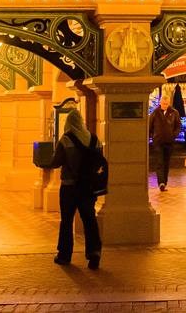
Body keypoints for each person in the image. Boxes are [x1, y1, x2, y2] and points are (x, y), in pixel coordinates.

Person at [48, 108, 107, 269]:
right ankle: (94, 253)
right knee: (89, 219)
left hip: (69, 187)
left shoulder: (65, 140)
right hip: (88, 187)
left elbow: (56, 162)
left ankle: (64, 255)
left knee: (66, 221)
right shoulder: (94, 139)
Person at [148, 92, 180, 192]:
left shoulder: (174, 113)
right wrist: (151, 137)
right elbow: (150, 126)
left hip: (169, 142)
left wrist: (174, 135)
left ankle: (164, 183)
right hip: (158, 142)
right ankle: (161, 183)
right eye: (163, 103)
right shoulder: (155, 113)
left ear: (169, 103)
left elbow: (178, 126)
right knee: (160, 162)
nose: (165, 105)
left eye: (166, 104)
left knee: (166, 163)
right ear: (160, 103)